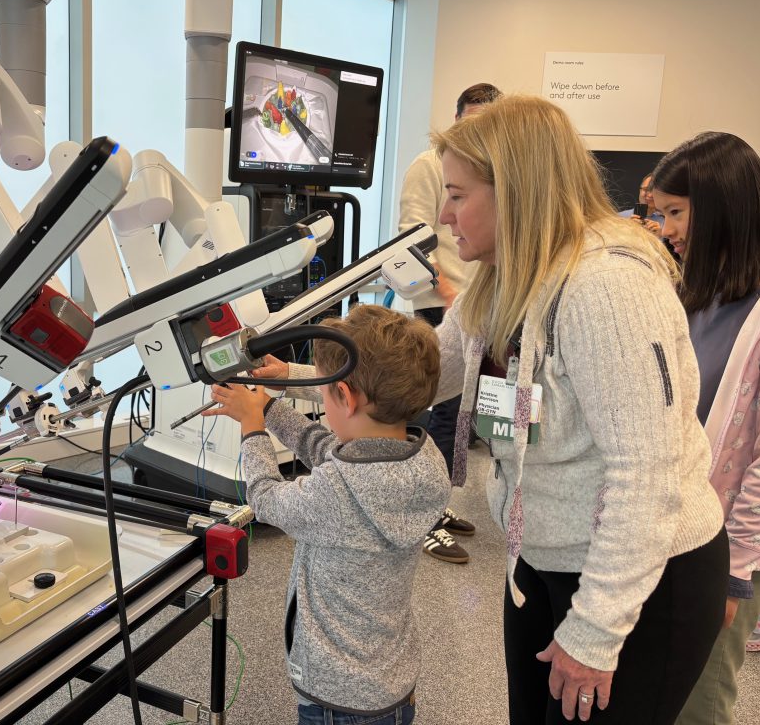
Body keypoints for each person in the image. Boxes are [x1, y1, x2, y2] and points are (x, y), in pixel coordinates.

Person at [254, 96, 728, 724]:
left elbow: (647, 478)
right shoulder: (503, 276)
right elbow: (421, 374)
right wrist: (286, 378)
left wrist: (592, 633)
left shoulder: (607, 290)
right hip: (542, 553)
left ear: (517, 191)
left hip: (640, 576)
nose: (445, 216)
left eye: (457, 195)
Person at [206, 304, 450, 725]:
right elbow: (328, 450)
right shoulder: (423, 458)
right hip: (389, 684)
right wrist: (266, 409)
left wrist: (252, 430)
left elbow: (265, 498)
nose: (320, 394)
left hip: (338, 700)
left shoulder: (338, 491)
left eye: (323, 390)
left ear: (347, 398)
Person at [649, 132, 760, 725]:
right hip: (673, 530)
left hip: (726, 547)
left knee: (702, 700)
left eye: (675, 212)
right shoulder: (692, 294)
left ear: (722, 207)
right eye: (659, 213)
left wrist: (735, 573)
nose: (665, 229)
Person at [398, 82, 502, 564]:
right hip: (443, 299)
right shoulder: (429, 166)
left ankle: (434, 506)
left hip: (478, 298)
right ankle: (422, 515)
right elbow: (412, 235)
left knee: (462, 415)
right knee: (439, 407)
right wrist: (444, 292)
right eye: (471, 121)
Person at [618, 173, 665, 237]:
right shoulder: (619, 217)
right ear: (640, 190)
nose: (650, 195)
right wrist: (625, 230)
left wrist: (661, 236)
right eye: (646, 189)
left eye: (655, 191)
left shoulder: (666, 222)